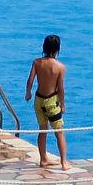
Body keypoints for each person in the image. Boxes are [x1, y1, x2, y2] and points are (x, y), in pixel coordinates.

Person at [25, 35, 67, 170]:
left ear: (44, 47)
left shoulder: (37, 62)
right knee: (59, 132)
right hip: (52, 102)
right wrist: (63, 104)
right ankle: (64, 162)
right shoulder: (60, 67)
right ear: (57, 49)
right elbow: (60, 88)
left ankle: (43, 159)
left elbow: (30, 80)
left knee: (42, 130)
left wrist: (28, 92)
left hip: (39, 100)